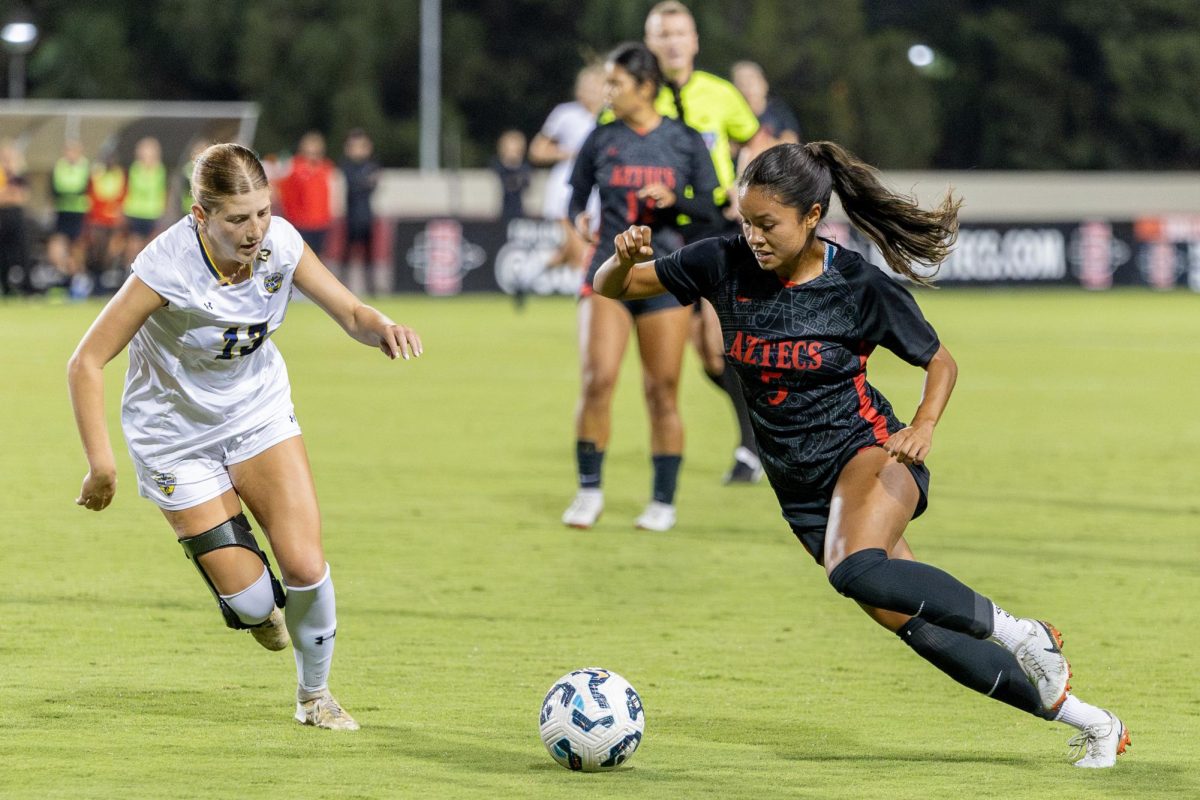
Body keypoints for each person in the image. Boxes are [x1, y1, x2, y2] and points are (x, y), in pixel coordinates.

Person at [592, 141, 1130, 769]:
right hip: (799, 488)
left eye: (768, 224)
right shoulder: (722, 261)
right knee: (920, 628)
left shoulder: (857, 284)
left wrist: (924, 426)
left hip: (870, 452)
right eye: (746, 220)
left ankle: (1023, 633)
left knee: (851, 570)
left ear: (813, 217)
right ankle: (1094, 722)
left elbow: (940, 361)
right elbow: (615, 288)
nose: (754, 236)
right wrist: (620, 259)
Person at [68, 143, 423, 731]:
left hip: (257, 415)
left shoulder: (281, 242)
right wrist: (100, 464)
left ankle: (315, 697)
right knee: (256, 605)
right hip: (173, 438)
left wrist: (382, 325)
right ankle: (248, 602)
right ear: (200, 215)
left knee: (307, 566)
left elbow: (351, 311)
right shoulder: (168, 266)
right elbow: (86, 361)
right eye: (237, 218)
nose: (255, 229)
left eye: (261, 211)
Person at [561, 42, 718, 532]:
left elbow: (709, 212)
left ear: (645, 87)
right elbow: (574, 199)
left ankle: (663, 501)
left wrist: (675, 200)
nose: (607, 91)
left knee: (662, 391)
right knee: (597, 380)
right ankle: (589, 492)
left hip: (665, 275)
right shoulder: (600, 138)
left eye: (616, 83)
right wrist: (579, 219)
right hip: (609, 275)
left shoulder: (686, 140)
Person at [644, 0, 770, 485]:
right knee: (706, 355)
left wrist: (745, 190)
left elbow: (755, 140)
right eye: (663, 34)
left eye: (680, 32)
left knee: (719, 344)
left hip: (713, 227)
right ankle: (757, 435)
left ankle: (751, 448)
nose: (673, 41)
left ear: (694, 41)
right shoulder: (641, 98)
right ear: (651, 43)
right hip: (662, 231)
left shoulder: (719, 94)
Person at [529, 64, 606, 271]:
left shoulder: (611, 116)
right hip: (566, 185)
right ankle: (588, 297)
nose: (590, 91)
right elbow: (537, 150)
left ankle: (532, 271)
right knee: (580, 252)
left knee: (580, 250)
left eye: (595, 85)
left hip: (599, 188)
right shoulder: (565, 114)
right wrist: (571, 153)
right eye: (585, 86)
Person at [338, 129, 382, 296]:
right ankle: (341, 289)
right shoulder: (347, 166)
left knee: (369, 256)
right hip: (350, 218)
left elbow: (371, 185)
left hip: (367, 217)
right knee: (346, 256)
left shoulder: (372, 165)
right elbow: (358, 184)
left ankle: (372, 289)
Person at [47, 140, 92, 297]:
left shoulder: (85, 167)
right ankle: (67, 277)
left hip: (79, 214)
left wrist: (69, 193)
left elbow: (83, 189)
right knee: (57, 249)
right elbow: (54, 190)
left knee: (77, 250)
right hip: (62, 214)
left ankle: (79, 282)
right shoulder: (59, 167)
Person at [278, 131, 335, 256]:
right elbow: (282, 191)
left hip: (321, 222)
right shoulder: (293, 166)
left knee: (318, 257)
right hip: (299, 222)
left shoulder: (326, 167)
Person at [731, 60, 802, 145]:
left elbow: (791, 141)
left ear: (764, 84)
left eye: (751, 80)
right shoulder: (730, 115)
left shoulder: (779, 111)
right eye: (741, 83)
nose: (748, 87)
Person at [123, 136, 169, 264]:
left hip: (153, 214)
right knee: (133, 245)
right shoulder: (136, 169)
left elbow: (161, 191)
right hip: (136, 212)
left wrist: (162, 211)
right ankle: (129, 271)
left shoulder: (159, 170)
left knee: (151, 247)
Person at [0, 140, 31, 296]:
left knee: (23, 252)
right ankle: (5, 288)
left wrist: (8, 193)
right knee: (3, 254)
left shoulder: (18, 175)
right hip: (2, 217)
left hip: (16, 216)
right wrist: (9, 194)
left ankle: (26, 287)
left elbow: (22, 197)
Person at [492, 129, 531, 224]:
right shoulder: (497, 166)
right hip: (501, 214)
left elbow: (525, 184)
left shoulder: (524, 168)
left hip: (520, 213)